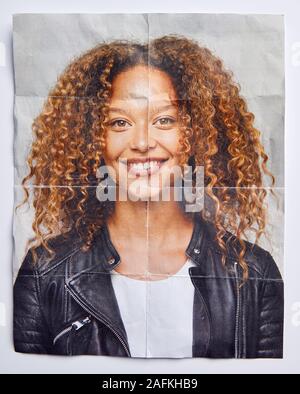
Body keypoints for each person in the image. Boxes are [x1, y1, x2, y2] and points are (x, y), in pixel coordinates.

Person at [14, 35, 284, 358]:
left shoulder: (254, 274)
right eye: (119, 122)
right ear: (92, 141)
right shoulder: (45, 274)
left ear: (195, 134)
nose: (142, 141)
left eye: (164, 120)